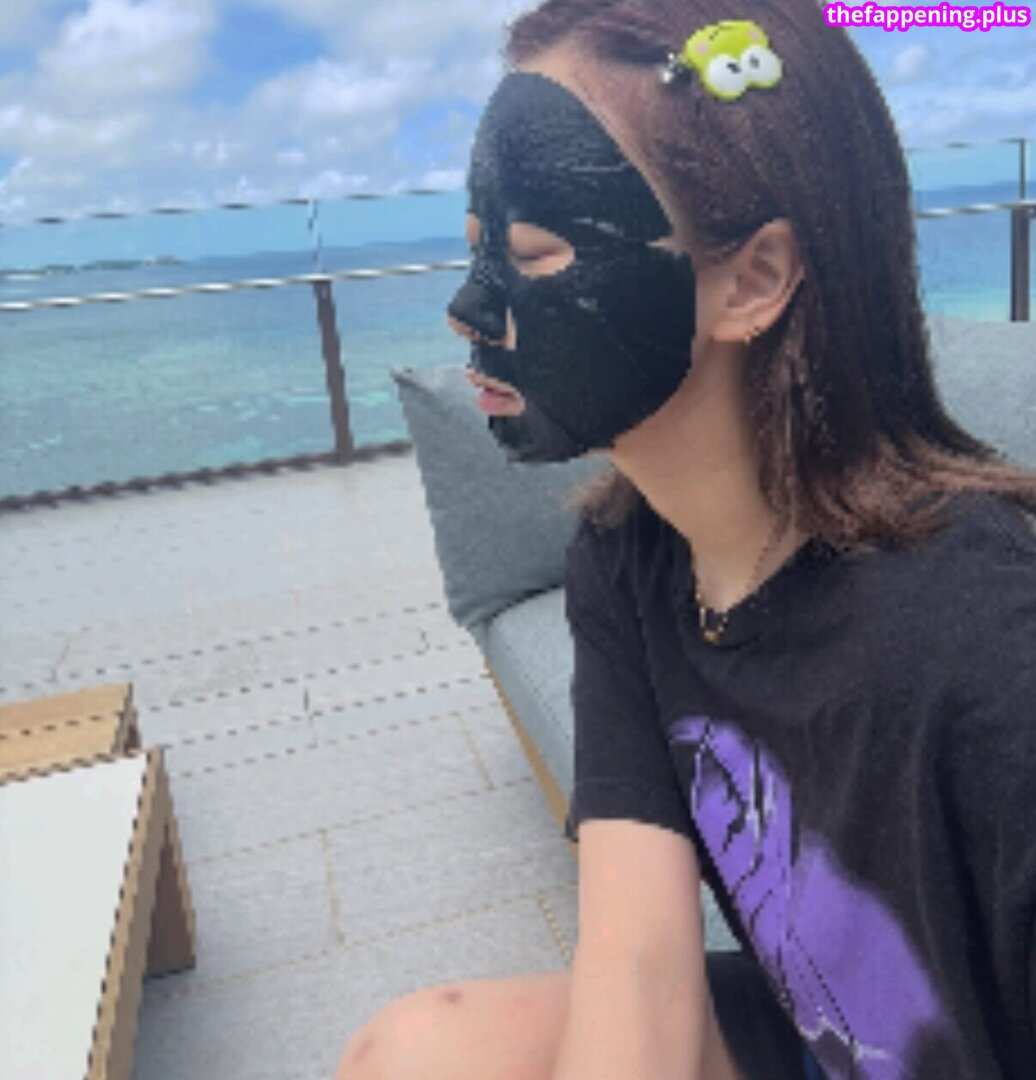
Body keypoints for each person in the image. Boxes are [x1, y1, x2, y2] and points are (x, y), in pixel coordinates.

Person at [336, 1, 1036, 1078]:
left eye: (534, 253)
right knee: (421, 1051)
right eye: (480, 251)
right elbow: (639, 971)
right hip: (820, 1036)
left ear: (751, 281)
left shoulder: (988, 647)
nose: (469, 310)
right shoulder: (629, 558)